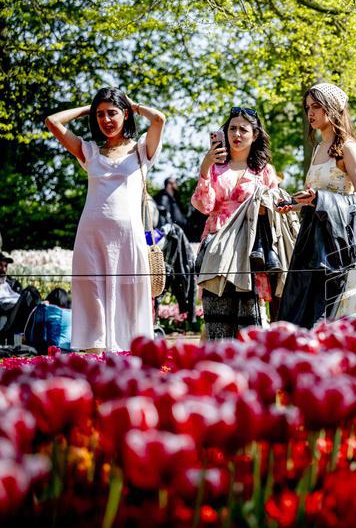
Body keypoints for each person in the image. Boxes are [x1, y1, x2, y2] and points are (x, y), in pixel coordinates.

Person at [45, 88, 165, 351]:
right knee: (92, 296)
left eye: (112, 112)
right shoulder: (89, 151)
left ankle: (132, 356)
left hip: (128, 237)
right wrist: (87, 109)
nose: (106, 119)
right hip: (91, 236)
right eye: (100, 114)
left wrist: (134, 106)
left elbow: (158, 119)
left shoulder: (141, 150)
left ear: (125, 114)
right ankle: (93, 356)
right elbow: (52, 122)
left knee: (131, 297)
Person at [278, 83, 356, 325]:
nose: (310, 113)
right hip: (309, 241)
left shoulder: (348, 148)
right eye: (308, 107)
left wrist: (322, 200)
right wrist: (294, 204)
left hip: (336, 244)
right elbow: (315, 198)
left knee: (333, 314)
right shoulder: (318, 148)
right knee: (304, 312)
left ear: (333, 108)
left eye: (316, 106)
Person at [192, 107, 283, 340]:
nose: (237, 134)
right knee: (217, 312)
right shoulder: (214, 168)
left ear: (255, 135)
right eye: (232, 128)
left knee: (250, 315)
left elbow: (276, 211)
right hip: (217, 244)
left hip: (249, 247)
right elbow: (204, 206)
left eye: (244, 129)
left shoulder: (264, 171)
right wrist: (204, 167)